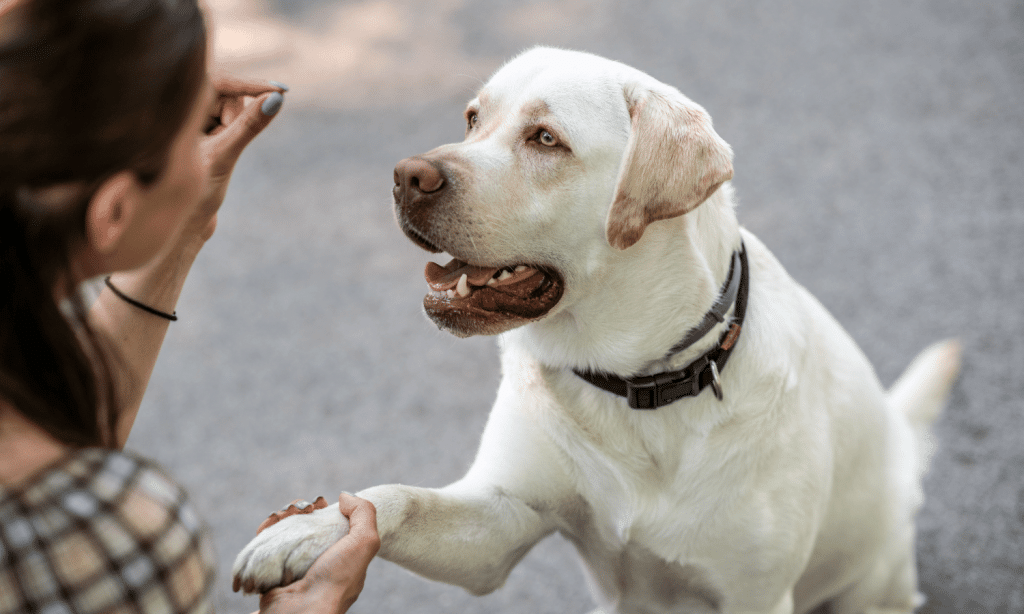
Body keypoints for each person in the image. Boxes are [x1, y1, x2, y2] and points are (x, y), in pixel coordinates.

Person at [0, 0, 379, 612]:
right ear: (114, 210)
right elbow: (65, 493)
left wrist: (185, 225)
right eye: (187, 127)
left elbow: (60, 436)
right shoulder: (112, 537)